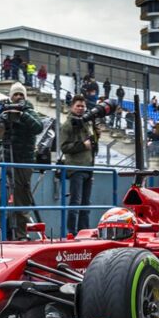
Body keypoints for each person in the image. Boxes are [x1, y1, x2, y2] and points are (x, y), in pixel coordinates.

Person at [0, 82, 44, 241]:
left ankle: (21, 235)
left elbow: (38, 127)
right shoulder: (5, 110)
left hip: (23, 162)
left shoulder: (29, 110)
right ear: (10, 97)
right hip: (6, 161)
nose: (18, 97)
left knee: (21, 199)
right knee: (0, 195)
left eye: (21, 95)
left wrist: (22, 114)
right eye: (15, 95)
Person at [60, 95, 98, 235]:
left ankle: (84, 231)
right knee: (75, 202)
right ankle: (72, 233)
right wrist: (83, 145)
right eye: (78, 106)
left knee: (85, 204)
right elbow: (64, 147)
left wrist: (95, 138)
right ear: (72, 107)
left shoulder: (86, 123)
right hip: (76, 167)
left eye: (83, 106)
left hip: (88, 167)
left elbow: (92, 147)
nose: (81, 109)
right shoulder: (67, 125)